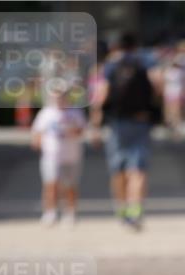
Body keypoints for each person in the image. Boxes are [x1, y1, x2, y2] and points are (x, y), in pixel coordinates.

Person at [90, 32, 159, 229]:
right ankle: (136, 210)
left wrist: (95, 125)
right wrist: (155, 109)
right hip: (141, 121)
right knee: (138, 169)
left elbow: (101, 96)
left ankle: (121, 209)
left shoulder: (110, 66)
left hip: (116, 124)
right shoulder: (145, 62)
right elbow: (158, 84)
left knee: (118, 169)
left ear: (115, 47)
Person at [30, 80, 87, 226]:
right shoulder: (46, 113)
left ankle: (71, 211)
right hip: (51, 155)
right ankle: (50, 212)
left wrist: (72, 129)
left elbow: (81, 130)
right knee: (51, 184)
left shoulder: (75, 112)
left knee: (70, 185)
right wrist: (38, 142)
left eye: (62, 95)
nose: (59, 99)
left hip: (71, 155)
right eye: (56, 96)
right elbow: (36, 133)